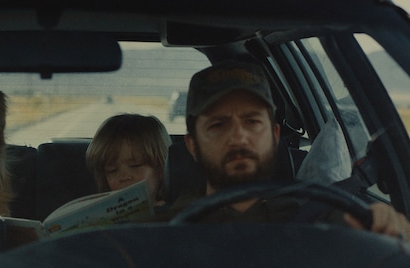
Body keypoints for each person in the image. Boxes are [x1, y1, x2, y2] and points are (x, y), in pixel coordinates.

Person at [173, 60, 410, 239]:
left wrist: (384, 230)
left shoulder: (323, 223)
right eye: (218, 125)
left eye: (252, 122)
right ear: (192, 145)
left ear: (275, 136)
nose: (239, 137)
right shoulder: (159, 230)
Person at [85, 113, 172, 207]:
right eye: (112, 170)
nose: (124, 177)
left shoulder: (178, 214)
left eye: (135, 165)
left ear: (161, 169)